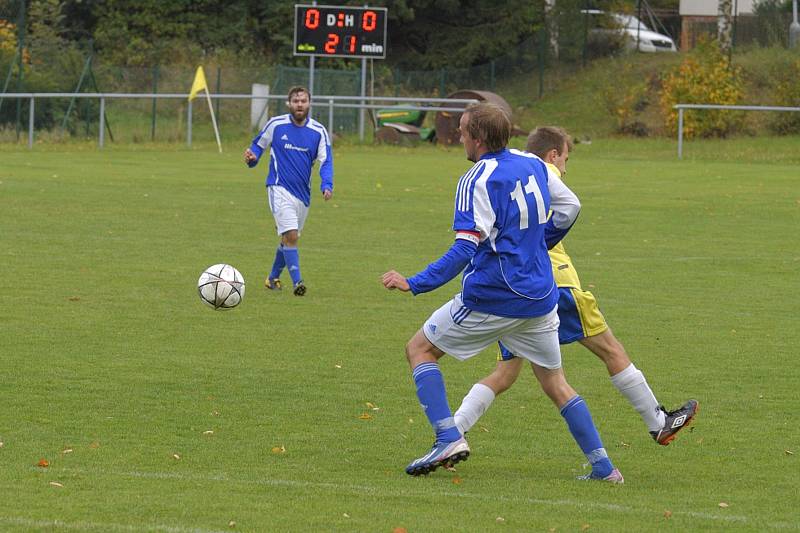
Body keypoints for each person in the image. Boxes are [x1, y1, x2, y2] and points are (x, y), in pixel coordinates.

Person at [382, 103, 623, 483]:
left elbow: (464, 249)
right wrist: (538, 245)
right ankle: (605, 468)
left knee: (419, 349)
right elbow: (569, 206)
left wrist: (416, 282)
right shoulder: (531, 163)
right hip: (540, 296)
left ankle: (448, 436)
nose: (459, 137)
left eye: (462, 131)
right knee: (555, 383)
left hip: (494, 295)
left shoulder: (475, 179)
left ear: (477, 138)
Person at [453, 126, 698, 445]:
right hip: (556, 284)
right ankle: (658, 422)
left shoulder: (510, 172)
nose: (565, 168)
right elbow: (568, 208)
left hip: (512, 290)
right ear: (553, 155)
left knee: (505, 374)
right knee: (611, 350)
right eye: (565, 159)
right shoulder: (542, 174)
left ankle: (452, 431)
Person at [244, 86, 334, 296]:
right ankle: (297, 282)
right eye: (296, 101)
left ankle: (273, 278)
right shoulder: (276, 124)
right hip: (278, 187)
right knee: (291, 235)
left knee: (288, 239)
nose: (299, 104)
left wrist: (326, 184)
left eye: (303, 101)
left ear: (309, 103)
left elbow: (326, 161)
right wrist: (252, 158)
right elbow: (258, 146)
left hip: (302, 195)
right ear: (289, 104)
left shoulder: (318, 131)